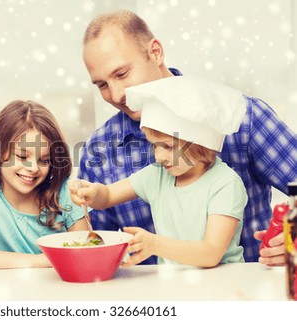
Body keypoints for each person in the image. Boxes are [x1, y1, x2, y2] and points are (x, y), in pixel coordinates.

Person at [79, 9, 297, 265]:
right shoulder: (101, 148)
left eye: (122, 74)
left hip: (241, 293)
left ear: (156, 53)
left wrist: (293, 238)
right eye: (102, 85)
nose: (116, 96)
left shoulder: (243, 118)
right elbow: (94, 245)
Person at [70, 76, 248, 267]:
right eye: (155, 146)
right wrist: (94, 193)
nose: (158, 156)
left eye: (168, 147)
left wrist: (155, 244)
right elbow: (108, 195)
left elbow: (210, 253)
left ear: (200, 143)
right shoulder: (158, 175)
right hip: (173, 285)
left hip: (221, 285)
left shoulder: (225, 184)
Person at [0, 100, 88, 268]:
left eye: (44, 160)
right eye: (22, 156)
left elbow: (84, 253)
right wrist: (38, 261)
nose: (33, 168)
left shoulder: (64, 192)